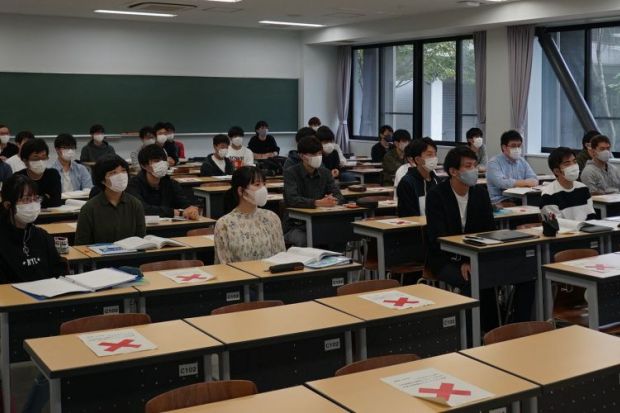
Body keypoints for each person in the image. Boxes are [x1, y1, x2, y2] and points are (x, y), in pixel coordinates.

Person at [425, 146, 500, 331]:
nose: (474, 170)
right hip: (444, 259)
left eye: (475, 165)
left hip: (474, 256)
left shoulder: (480, 193)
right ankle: (469, 334)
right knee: (472, 281)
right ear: (453, 171)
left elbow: (489, 230)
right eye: (468, 166)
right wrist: (462, 262)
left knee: (496, 275)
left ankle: (492, 331)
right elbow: (438, 238)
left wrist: (472, 259)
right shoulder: (437, 195)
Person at [0, 174, 65, 283]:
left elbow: (58, 271)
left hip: (48, 295)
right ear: (7, 205)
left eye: (35, 199)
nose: (32, 204)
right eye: (25, 200)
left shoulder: (42, 236)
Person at [214, 166, 285, 264]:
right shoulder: (224, 224)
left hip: (270, 277)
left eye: (264, 184)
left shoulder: (272, 217)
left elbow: (281, 256)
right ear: (241, 191)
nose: (263, 189)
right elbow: (224, 265)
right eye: (257, 184)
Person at [283, 136, 345, 246]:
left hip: (321, 222)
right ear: (302, 156)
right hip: (297, 225)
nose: (317, 157)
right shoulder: (291, 173)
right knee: (306, 239)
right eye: (313, 155)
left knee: (339, 235)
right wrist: (318, 203)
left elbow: (339, 196)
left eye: (319, 153)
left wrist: (333, 200)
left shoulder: (325, 173)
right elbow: (292, 199)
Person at [75, 155, 145, 245]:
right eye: (113, 173)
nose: (120, 176)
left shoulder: (135, 204)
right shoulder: (89, 209)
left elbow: (141, 240)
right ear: (102, 180)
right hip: (99, 257)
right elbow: (81, 245)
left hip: (130, 257)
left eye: (123, 171)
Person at [127, 144, 199, 219]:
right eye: (156, 161)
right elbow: (142, 209)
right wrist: (176, 212)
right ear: (144, 166)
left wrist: (191, 210)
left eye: (163, 160)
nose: (162, 164)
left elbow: (185, 204)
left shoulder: (171, 183)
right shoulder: (133, 185)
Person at [541, 147, 596, 221]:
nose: (573, 166)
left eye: (574, 161)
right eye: (567, 163)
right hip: (566, 231)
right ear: (557, 171)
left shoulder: (583, 188)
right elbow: (556, 223)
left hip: (586, 229)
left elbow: (591, 216)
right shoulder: (548, 195)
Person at [486, 130, 537, 205]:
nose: (517, 149)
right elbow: (502, 183)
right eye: (513, 146)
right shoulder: (494, 163)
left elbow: (534, 179)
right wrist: (525, 182)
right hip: (500, 201)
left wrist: (524, 182)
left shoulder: (522, 161)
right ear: (504, 147)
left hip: (520, 199)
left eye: (519, 146)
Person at [397, 137, 441, 217]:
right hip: (416, 227)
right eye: (429, 154)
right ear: (417, 159)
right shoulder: (407, 183)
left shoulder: (437, 181)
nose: (434, 158)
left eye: (435, 154)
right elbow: (408, 215)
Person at [16, 138, 62, 208]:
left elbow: (56, 201)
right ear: (25, 160)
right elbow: (19, 202)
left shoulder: (53, 174)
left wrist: (32, 199)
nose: (40, 161)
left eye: (44, 157)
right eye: (35, 158)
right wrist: (44, 197)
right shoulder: (18, 177)